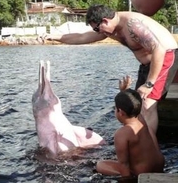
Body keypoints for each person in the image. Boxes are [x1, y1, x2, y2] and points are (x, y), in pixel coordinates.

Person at [40, 4, 178, 136]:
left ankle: (149, 147)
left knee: (147, 104)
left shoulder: (133, 25)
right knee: (137, 106)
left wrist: (149, 84)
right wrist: (55, 37)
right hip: (147, 64)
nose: (98, 33)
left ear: (105, 20)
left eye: (97, 29)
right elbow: (82, 37)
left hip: (165, 56)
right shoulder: (111, 28)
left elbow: (159, 50)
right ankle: (139, 141)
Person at [96, 88, 165, 177]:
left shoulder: (122, 133)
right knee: (150, 131)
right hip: (159, 164)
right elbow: (132, 104)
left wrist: (127, 179)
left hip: (142, 171)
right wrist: (123, 91)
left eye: (115, 108)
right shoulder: (141, 119)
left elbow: (123, 164)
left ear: (120, 112)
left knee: (100, 165)